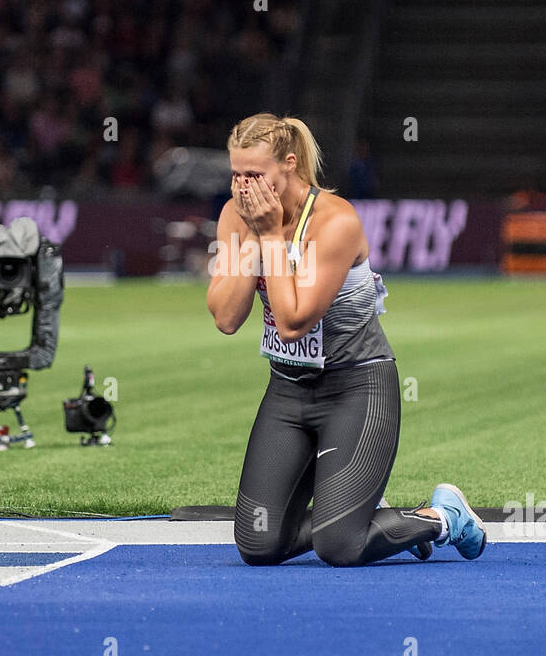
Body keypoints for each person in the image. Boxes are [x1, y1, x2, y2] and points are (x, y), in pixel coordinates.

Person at [206, 113, 487, 567]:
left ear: (289, 165)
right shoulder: (237, 216)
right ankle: (370, 518)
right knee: (259, 544)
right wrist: (254, 237)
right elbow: (225, 316)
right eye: (236, 175)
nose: (243, 187)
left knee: (339, 546)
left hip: (357, 387)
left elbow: (294, 321)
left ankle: (443, 516)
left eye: (255, 175)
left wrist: (272, 236)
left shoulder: (335, 222)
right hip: (288, 390)